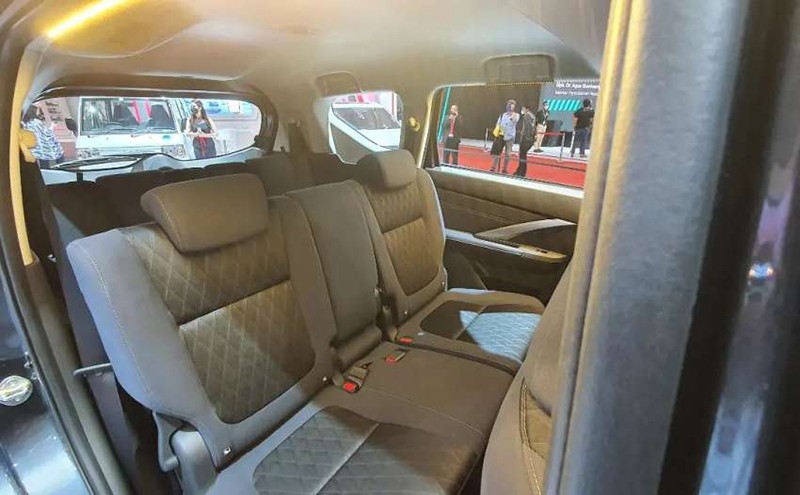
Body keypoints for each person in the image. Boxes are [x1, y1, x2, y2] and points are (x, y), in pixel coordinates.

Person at [491, 99, 519, 174]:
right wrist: (498, 130)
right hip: (501, 136)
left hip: (510, 137)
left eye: (511, 105)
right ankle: (493, 167)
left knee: (508, 154)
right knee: (497, 152)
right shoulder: (502, 115)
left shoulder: (516, 115)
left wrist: (512, 114)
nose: (509, 106)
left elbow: (515, 120)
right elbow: (498, 124)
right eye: (508, 104)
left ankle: (504, 169)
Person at [515, 103, 535, 177]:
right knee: (523, 155)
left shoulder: (527, 116)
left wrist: (525, 137)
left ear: (527, 109)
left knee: (522, 156)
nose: (522, 110)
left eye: (523, 109)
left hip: (526, 139)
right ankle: (521, 170)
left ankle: (521, 172)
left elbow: (528, 128)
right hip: (529, 138)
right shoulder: (532, 115)